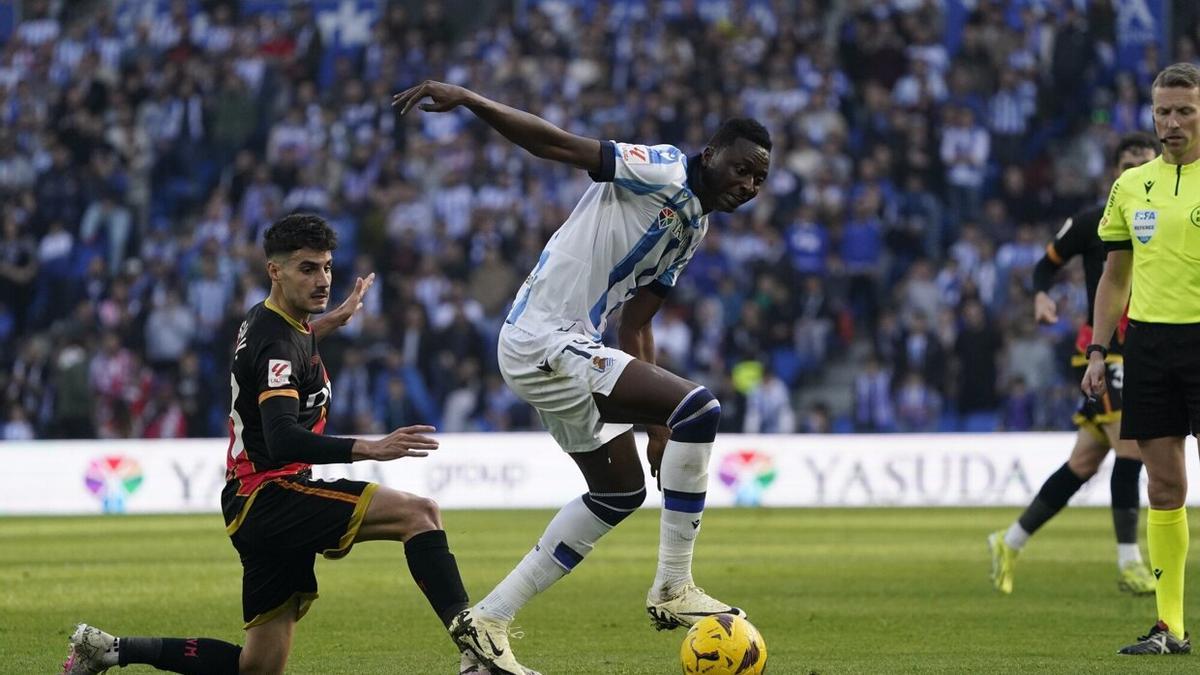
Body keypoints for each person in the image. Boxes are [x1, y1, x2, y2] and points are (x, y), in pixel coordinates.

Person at [394, 80, 771, 675]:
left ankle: (486, 628)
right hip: (544, 338)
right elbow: (559, 146)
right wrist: (471, 100)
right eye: (742, 169)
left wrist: (654, 424)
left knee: (620, 491)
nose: (748, 186)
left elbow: (637, 323)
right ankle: (674, 586)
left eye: (758, 181)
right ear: (712, 152)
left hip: (565, 347)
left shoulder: (693, 227)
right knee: (701, 408)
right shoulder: (664, 168)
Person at [63, 214, 487, 674]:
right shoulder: (279, 343)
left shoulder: (267, 318)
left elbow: (290, 342)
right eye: (307, 268)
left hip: (249, 503)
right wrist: (371, 447)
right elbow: (284, 438)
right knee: (419, 514)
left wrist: (334, 320)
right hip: (272, 494)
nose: (323, 279)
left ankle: (110, 650)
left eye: (326, 267)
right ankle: (478, 655)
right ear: (275, 271)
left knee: (257, 668)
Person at [988, 132, 1159, 595]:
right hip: (1102, 350)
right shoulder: (1091, 222)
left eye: (1145, 163)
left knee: (1084, 461)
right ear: (1115, 171)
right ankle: (1129, 563)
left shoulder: (1163, 220)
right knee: (1131, 447)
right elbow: (1044, 266)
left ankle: (1009, 540)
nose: (1136, 172)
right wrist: (1041, 296)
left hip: (1148, 345)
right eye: (1128, 164)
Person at [1086, 63, 1200, 656]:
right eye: (1163, 111)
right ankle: (1171, 628)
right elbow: (1114, 276)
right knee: (1164, 486)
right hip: (1150, 345)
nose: (1172, 122)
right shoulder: (1132, 187)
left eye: (1184, 110)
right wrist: (1099, 349)